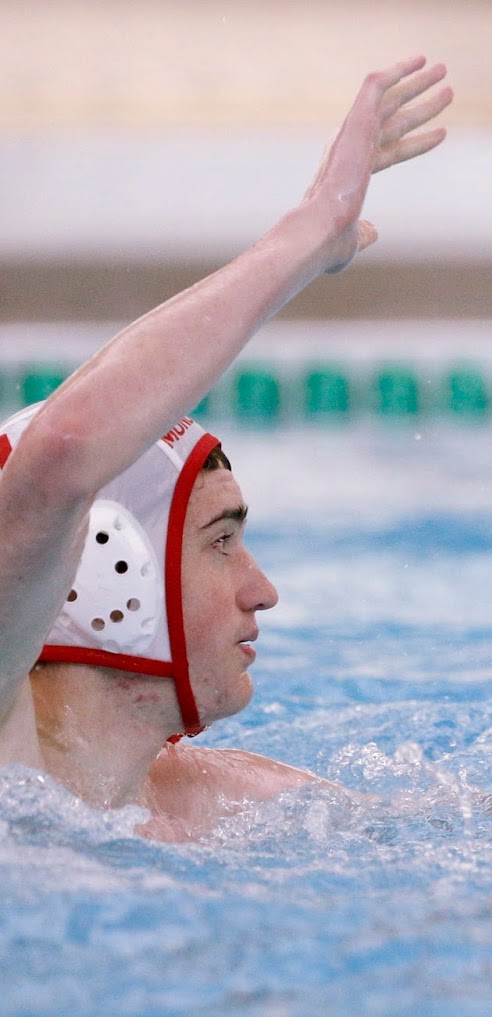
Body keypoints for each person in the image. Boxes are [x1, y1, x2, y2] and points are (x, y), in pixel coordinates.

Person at [0, 56, 453, 841]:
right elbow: (61, 455)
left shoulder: (227, 802)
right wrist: (305, 238)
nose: (263, 589)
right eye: (221, 541)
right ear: (107, 562)